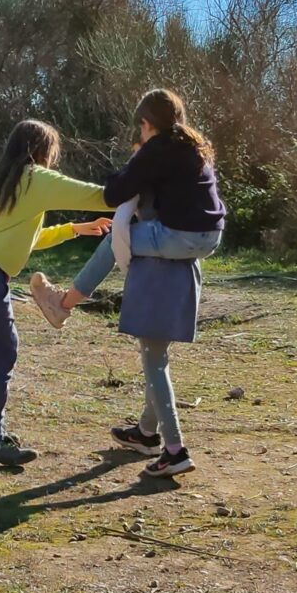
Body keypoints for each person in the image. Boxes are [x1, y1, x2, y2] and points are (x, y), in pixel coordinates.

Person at [31, 89, 226, 477]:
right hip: (205, 237)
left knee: (114, 240)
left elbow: (115, 192)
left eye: (140, 125)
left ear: (147, 122)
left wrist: (127, 169)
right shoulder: (193, 146)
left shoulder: (159, 147)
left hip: (181, 236)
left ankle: (64, 303)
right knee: (157, 355)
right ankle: (146, 433)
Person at [0, 120, 112, 466]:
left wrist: (75, 229)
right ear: (42, 149)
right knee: (3, 353)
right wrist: (133, 195)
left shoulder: (9, 184)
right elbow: (93, 194)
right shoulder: (35, 177)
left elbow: (29, 238)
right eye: (53, 149)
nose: (55, 157)